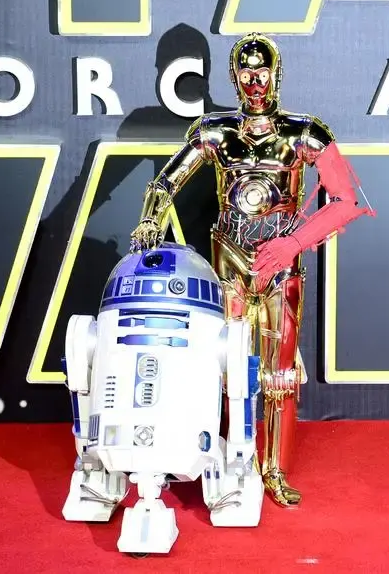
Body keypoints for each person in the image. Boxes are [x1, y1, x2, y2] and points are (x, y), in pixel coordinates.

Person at [128, 32, 374, 507]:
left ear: (277, 73)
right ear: (233, 76)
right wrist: (149, 219)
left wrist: (295, 243)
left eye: (263, 70)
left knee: (280, 373)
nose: (255, 79)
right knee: (219, 365)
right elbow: (166, 182)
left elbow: (347, 200)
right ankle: (215, 462)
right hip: (229, 262)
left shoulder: (303, 133)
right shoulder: (216, 133)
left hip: (280, 264)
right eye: (245, 70)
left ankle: (274, 470)